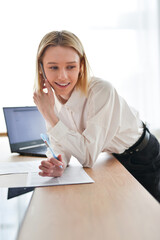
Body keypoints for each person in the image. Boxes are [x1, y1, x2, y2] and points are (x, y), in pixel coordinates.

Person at [33, 30, 160, 202]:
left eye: (71, 66)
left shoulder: (101, 90)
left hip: (142, 155)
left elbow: (87, 157)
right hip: (114, 157)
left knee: (150, 217)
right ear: (41, 68)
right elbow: (60, 146)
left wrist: (49, 115)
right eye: (53, 67)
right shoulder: (51, 99)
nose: (62, 76)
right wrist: (58, 163)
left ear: (81, 65)